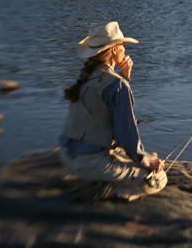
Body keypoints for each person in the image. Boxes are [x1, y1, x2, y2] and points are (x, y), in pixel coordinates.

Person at [58, 21, 167, 201]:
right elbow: (125, 134)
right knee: (158, 178)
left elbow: (111, 105)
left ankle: (102, 182)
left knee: (145, 156)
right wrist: (147, 164)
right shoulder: (117, 85)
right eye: (123, 44)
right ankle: (108, 192)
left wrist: (125, 75)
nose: (125, 47)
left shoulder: (88, 75)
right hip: (89, 165)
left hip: (67, 157)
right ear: (114, 50)